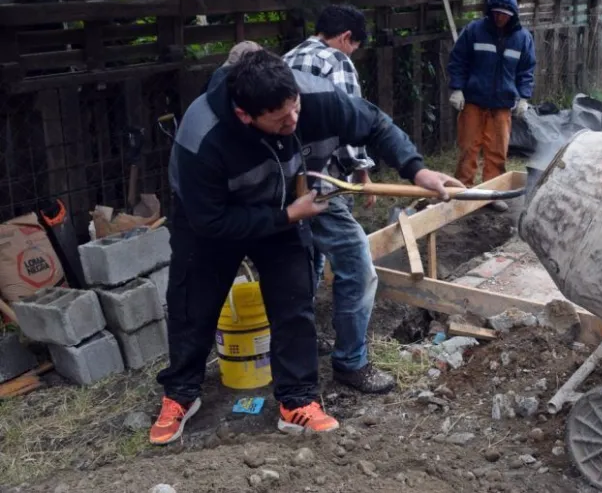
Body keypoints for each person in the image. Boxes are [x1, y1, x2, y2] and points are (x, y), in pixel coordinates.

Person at [151, 50, 461, 445]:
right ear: (246, 115)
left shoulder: (316, 98)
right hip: (212, 221)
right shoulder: (203, 135)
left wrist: (417, 168)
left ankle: (297, 401)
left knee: (294, 302)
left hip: (283, 208)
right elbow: (210, 221)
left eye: (294, 107)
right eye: (280, 119)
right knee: (193, 304)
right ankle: (181, 393)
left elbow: (376, 125)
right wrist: (287, 216)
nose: (294, 120)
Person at [282, 5, 392, 394]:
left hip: (286, 182)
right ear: (347, 37)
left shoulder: (288, 57)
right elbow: (349, 122)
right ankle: (351, 362)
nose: (353, 53)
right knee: (357, 266)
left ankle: (306, 340)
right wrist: (361, 169)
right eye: (355, 46)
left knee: (307, 260)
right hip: (320, 182)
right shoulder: (336, 62)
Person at [447, 0, 536, 211]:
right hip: (474, 102)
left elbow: (526, 70)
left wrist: (524, 97)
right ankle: (463, 191)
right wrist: (457, 88)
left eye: (504, 15)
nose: (499, 17)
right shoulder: (474, 31)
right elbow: (458, 60)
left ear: (513, 15)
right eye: (496, 13)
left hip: (502, 105)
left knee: (497, 151)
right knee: (469, 148)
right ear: (490, 11)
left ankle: (492, 193)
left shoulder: (522, 38)